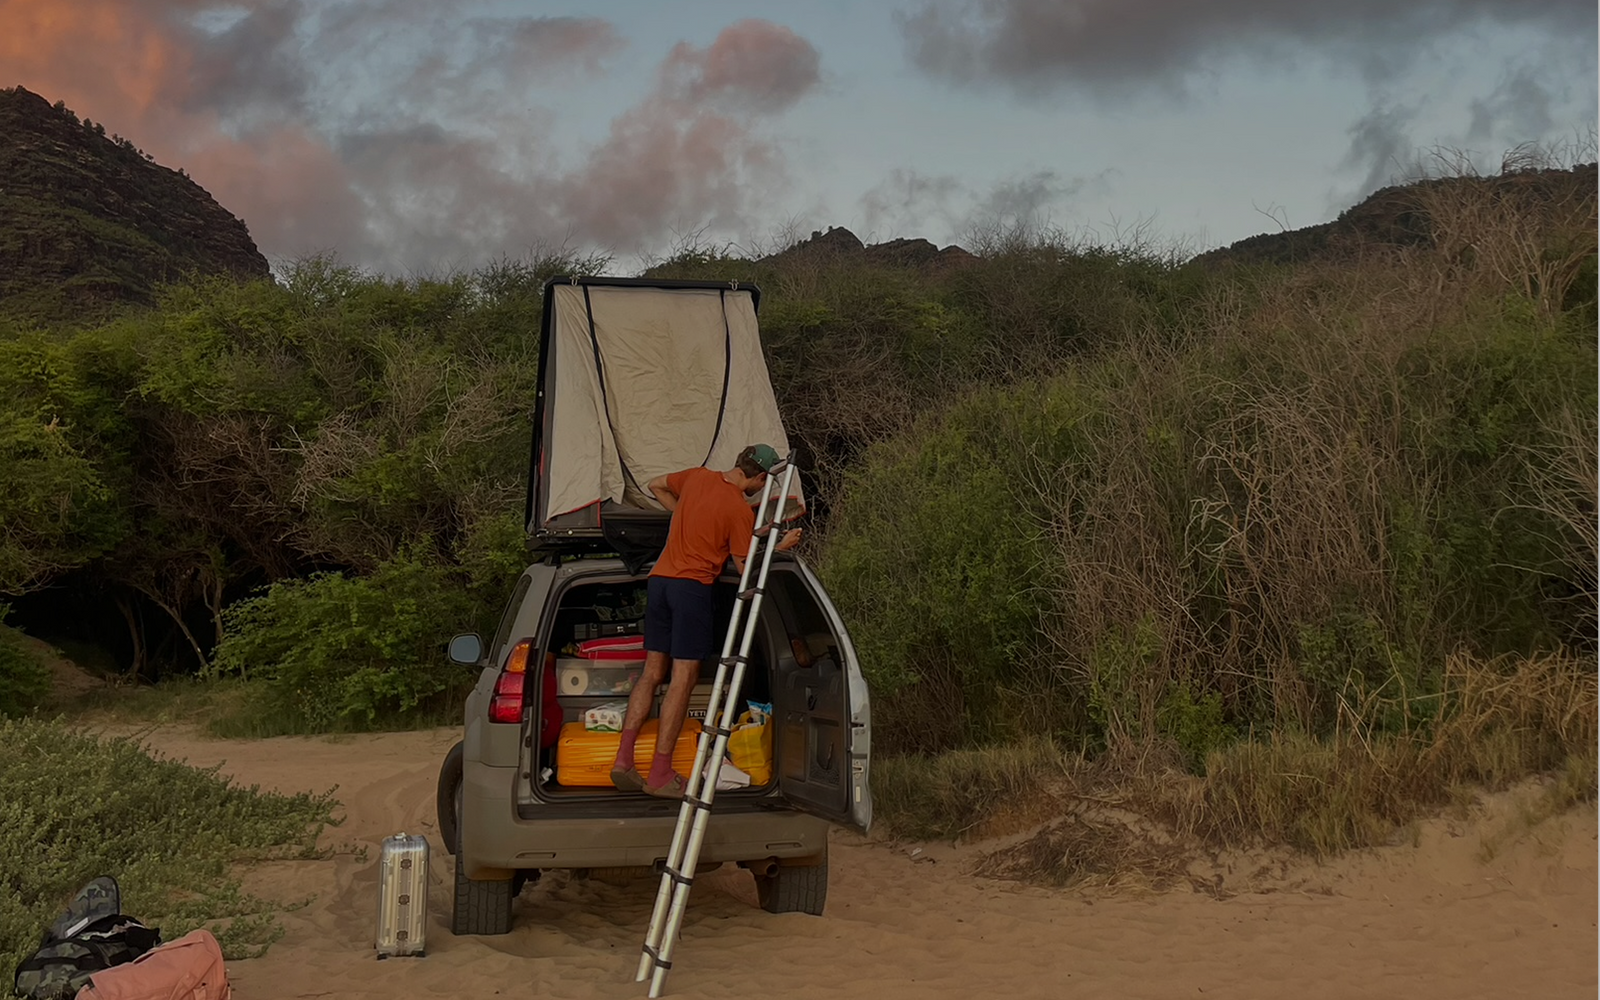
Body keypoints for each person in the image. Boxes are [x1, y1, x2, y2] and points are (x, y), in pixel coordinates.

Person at [610, 444, 801, 798]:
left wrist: (682, 513)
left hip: (660, 580)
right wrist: (779, 548)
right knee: (683, 677)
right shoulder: (738, 510)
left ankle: (623, 761)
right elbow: (746, 569)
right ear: (760, 477)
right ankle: (660, 773)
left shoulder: (697, 477)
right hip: (691, 589)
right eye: (765, 481)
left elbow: (655, 484)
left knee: (652, 672)